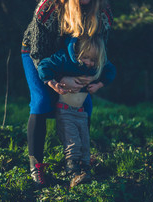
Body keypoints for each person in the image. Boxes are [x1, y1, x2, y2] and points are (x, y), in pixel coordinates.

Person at [21, 0, 113, 186]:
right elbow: (39, 52)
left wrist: (93, 78)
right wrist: (55, 79)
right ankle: (36, 164)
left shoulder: (103, 12)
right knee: (42, 102)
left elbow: (99, 52)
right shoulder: (48, 7)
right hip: (38, 55)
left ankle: (79, 159)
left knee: (84, 103)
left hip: (78, 60)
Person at [38, 36, 116, 187]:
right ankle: (72, 172)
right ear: (78, 52)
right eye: (86, 58)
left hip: (81, 111)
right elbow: (44, 65)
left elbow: (110, 70)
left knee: (85, 142)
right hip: (65, 111)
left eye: (93, 60)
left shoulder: (94, 66)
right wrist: (52, 83)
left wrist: (99, 84)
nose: (89, 63)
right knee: (72, 141)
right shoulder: (64, 58)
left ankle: (85, 170)